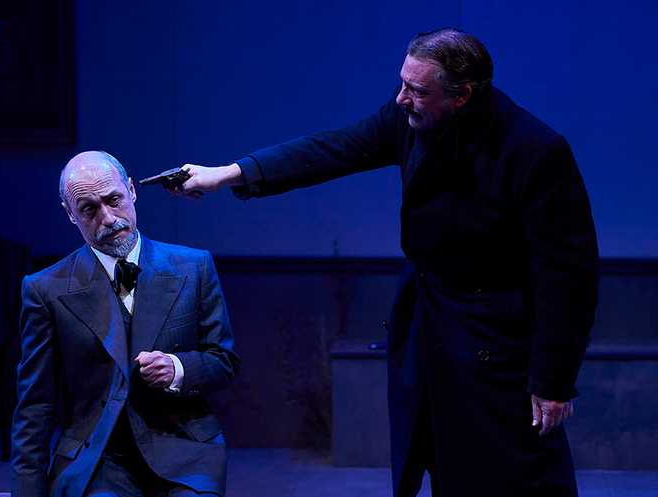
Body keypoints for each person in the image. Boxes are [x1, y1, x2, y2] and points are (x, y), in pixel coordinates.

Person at [169, 28, 599, 496]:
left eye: (417, 90)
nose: (401, 99)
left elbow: (569, 276)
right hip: (430, 320)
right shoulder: (408, 119)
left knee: (517, 471)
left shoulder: (534, 150)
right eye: (402, 84)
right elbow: (331, 149)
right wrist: (228, 174)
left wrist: (553, 380)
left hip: (497, 341)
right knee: (445, 460)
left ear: (462, 95)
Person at [10, 151, 241, 497]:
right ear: (70, 214)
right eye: (89, 209)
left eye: (114, 200)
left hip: (183, 449)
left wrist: (177, 369)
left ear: (131, 190)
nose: (107, 218)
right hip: (97, 458)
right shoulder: (45, 288)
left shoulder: (194, 267)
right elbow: (35, 406)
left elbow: (224, 362)